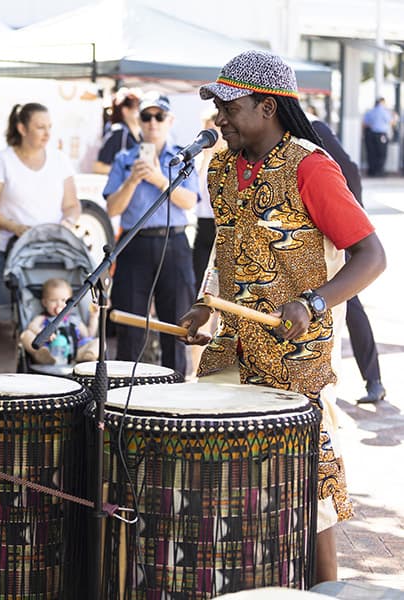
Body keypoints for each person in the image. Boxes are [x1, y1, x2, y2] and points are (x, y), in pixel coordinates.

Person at [179, 50, 387, 584]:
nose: (218, 119)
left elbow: (372, 255)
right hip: (234, 346)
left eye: (229, 107)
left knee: (309, 485)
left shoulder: (311, 166)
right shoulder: (221, 167)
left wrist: (313, 302)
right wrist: (207, 300)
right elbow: (224, 246)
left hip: (299, 357)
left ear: (267, 107)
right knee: (216, 463)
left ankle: (322, 589)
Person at [102, 92, 198, 376]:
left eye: (159, 116)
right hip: (135, 243)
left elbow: (190, 201)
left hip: (174, 242)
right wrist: (133, 179)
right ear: (139, 121)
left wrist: (158, 179)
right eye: (146, 116)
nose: (153, 123)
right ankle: (124, 402)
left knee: (176, 327)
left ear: (170, 120)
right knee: (130, 327)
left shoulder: (182, 156)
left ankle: (174, 402)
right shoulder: (123, 159)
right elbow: (112, 207)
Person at [0, 102, 81, 323]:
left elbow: (72, 205)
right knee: (14, 319)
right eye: (40, 127)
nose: (47, 134)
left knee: (52, 314)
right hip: (9, 249)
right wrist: (16, 227)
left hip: (51, 251)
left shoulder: (60, 160)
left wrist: (68, 223)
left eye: (49, 127)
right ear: (22, 129)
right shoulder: (2, 161)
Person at [307, 115, 387, 404]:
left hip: (338, 233)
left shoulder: (312, 127)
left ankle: (373, 380)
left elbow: (349, 169)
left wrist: (349, 219)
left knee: (349, 301)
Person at [20, 277, 99, 365]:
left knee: (99, 342)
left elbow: (88, 334)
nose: (59, 304)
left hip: (74, 351)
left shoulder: (73, 319)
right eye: (53, 300)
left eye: (64, 300)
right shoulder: (43, 317)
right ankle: (43, 355)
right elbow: (31, 326)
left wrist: (93, 317)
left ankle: (87, 356)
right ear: (44, 303)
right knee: (25, 335)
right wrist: (43, 334)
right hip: (49, 350)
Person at [192, 108, 226, 291]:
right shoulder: (200, 162)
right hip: (203, 222)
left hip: (221, 225)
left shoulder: (228, 161)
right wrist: (206, 158)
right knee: (199, 278)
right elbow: (195, 192)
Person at [93, 88, 142, 175]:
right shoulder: (118, 133)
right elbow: (99, 167)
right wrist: (125, 171)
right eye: (138, 108)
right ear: (125, 110)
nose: (141, 113)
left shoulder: (141, 135)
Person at [362, 97, 394, 177]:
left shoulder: (370, 112)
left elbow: (365, 124)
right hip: (381, 134)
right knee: (382, 153)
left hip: (372, 134)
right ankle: (379, 172)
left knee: (372, 153)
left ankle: (372, 171)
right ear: (382, 102)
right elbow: (391, 122)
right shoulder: (384, 112)